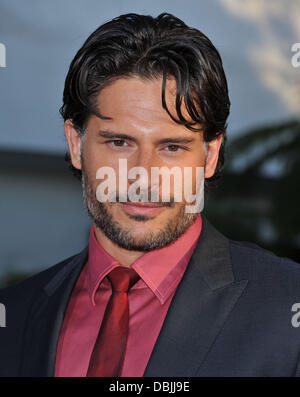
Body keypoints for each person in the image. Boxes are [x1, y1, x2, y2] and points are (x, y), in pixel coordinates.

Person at [1, 12, 300, 378]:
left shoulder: (286, 305)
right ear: (76, 144)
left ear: (210, 156)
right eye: (119, 142)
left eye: (172, 146)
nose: (144, 175)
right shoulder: (12, 315)